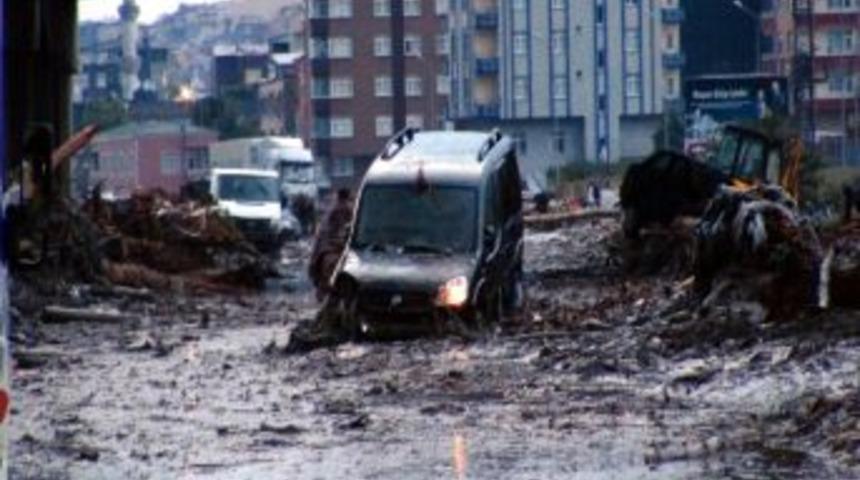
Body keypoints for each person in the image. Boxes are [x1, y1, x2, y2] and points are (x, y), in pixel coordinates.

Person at [308, 188, 353, 300]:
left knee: (322, 267)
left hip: (331, 244)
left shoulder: (339, 209)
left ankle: (325, 293)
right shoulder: (345, 209)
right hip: (332, 244)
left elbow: (338, 229)